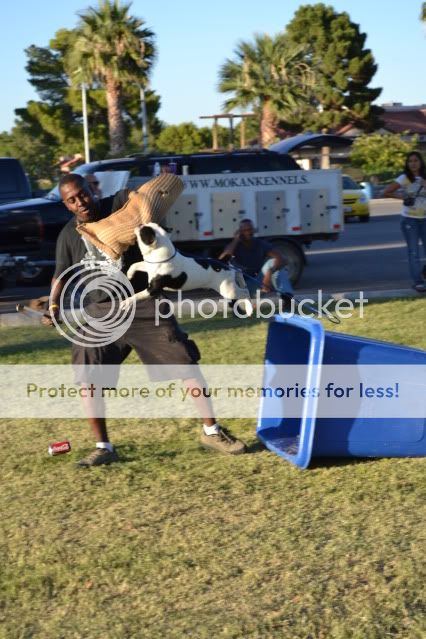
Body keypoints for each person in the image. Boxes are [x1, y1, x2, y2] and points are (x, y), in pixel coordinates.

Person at [42, 174, 246, 466]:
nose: (80, 202)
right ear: (66, 204)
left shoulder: (119, 203)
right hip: (100, 312)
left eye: (82, 194)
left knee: (185, 363)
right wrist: (53, 305)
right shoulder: (68, 234)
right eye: (72, 200)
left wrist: (156, 188)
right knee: (87, 377)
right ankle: (104, 448)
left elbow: (147, 202)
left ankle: (211, 431)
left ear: (91, 189)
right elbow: (60, 275)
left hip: (143, 303)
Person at [218, 219, 294, 302]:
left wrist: (270, 272)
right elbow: (222, 259)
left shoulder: (260, 244)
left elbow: (281, 258)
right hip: (241, 287)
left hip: (259, 283)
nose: (249, 232)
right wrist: (236, 239)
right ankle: (237, 306)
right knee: (230, 274)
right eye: (245, 230)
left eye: (250, 229)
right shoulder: (235, 246)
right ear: (240, 232)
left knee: (274, 264)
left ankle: (287, 299)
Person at [383, 151, 426, 292]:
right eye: (410, 161)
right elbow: (386, 191)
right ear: (407, 164)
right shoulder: (404, 178)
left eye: (416, 160)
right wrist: (402, 197)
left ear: (421, 162)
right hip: (410, 220)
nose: (413, 163)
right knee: (413, 252)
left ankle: (424, 273)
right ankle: (418, 282)